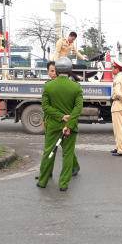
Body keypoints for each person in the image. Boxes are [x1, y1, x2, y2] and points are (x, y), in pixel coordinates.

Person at [37, 57, 83, 191]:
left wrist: (61, 117)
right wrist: (68, 123)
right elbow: (78, 109)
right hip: (70, 127)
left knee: (48, 153)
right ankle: (63, 184)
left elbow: (45, 107)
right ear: (70, 71)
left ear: (56, 71)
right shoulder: (76, 87)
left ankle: (43, 181)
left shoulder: (48, 86)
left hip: (53, 125)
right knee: (68, 155)